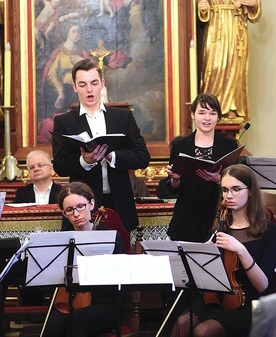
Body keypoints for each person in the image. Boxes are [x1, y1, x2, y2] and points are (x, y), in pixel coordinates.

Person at [170, 164, 276, 337]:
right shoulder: (218, 228)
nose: (229, 195)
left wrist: (241, 250)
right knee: (182, 323)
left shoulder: (269, 231)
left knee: (204, 331)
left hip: (247, 302)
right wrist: (202, 257)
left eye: (236, 189)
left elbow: (262, 285)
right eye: (225, 190)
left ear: (250, 191)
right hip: (213, 298)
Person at [52, 58, 150, 232]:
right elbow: (60, 166)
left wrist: (112, 156)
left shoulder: (122, 117)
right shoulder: (64, 121)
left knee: (121, 256)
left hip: (119, 202)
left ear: (102, 84)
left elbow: (142, 157)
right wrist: (85, 161)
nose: (89, 89)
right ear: (74, 87)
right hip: (82, 206)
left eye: (94, 83)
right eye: (82, 84)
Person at [43, 181, 123, 337]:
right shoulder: (62, 239)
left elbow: (118, 276)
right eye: (70, 210)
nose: (76, 214)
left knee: (76, 320)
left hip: (105, 304)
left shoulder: (111, 237)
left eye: (80, 206)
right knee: (53, 325)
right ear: (64, 213)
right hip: (69, 301)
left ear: (91, 204)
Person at [197, 0, 262, 122]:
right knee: (215, 65)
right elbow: (201, 2)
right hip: (216, 28)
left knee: (234, 65)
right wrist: (203, 7)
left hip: (236, 28)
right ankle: (212, 106)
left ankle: (232, 106)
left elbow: (253, 9)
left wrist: (253, 3)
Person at [166, 93, 237, 242]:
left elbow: (237, 184)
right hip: (186, 217)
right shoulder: (180, 145)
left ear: (218, 117)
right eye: (202, 113)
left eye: (212, 113)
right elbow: (172, 188)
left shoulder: (229, 145)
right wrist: (175, 179)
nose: (207, 118)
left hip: (218, 215)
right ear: (193, 114)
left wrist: (219, 179)